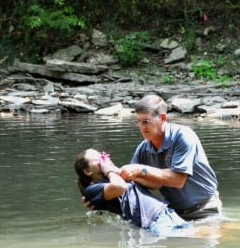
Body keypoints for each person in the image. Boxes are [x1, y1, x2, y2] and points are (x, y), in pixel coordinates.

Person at [118, 94, 222, 221]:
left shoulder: (183, 136)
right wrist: (99, 195)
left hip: (205, 210)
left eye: (146, 121)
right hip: (174, 213)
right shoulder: (143, 149)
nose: (141, 127)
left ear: (162, 118)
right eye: (138, 122)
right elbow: (145, 183)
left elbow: (178, 180)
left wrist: (140, 170)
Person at [74, 148, 210, 237]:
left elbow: (155, 184)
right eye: (99, 160)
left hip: (163, 215)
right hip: (155, 223)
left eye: (103, 156)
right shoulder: (92, 190)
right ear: (87, 171)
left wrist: (134, 172)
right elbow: (120, 188)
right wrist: (109, 169)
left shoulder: (115, 177)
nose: (104, 160)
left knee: (205, 235)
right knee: (203, 236)